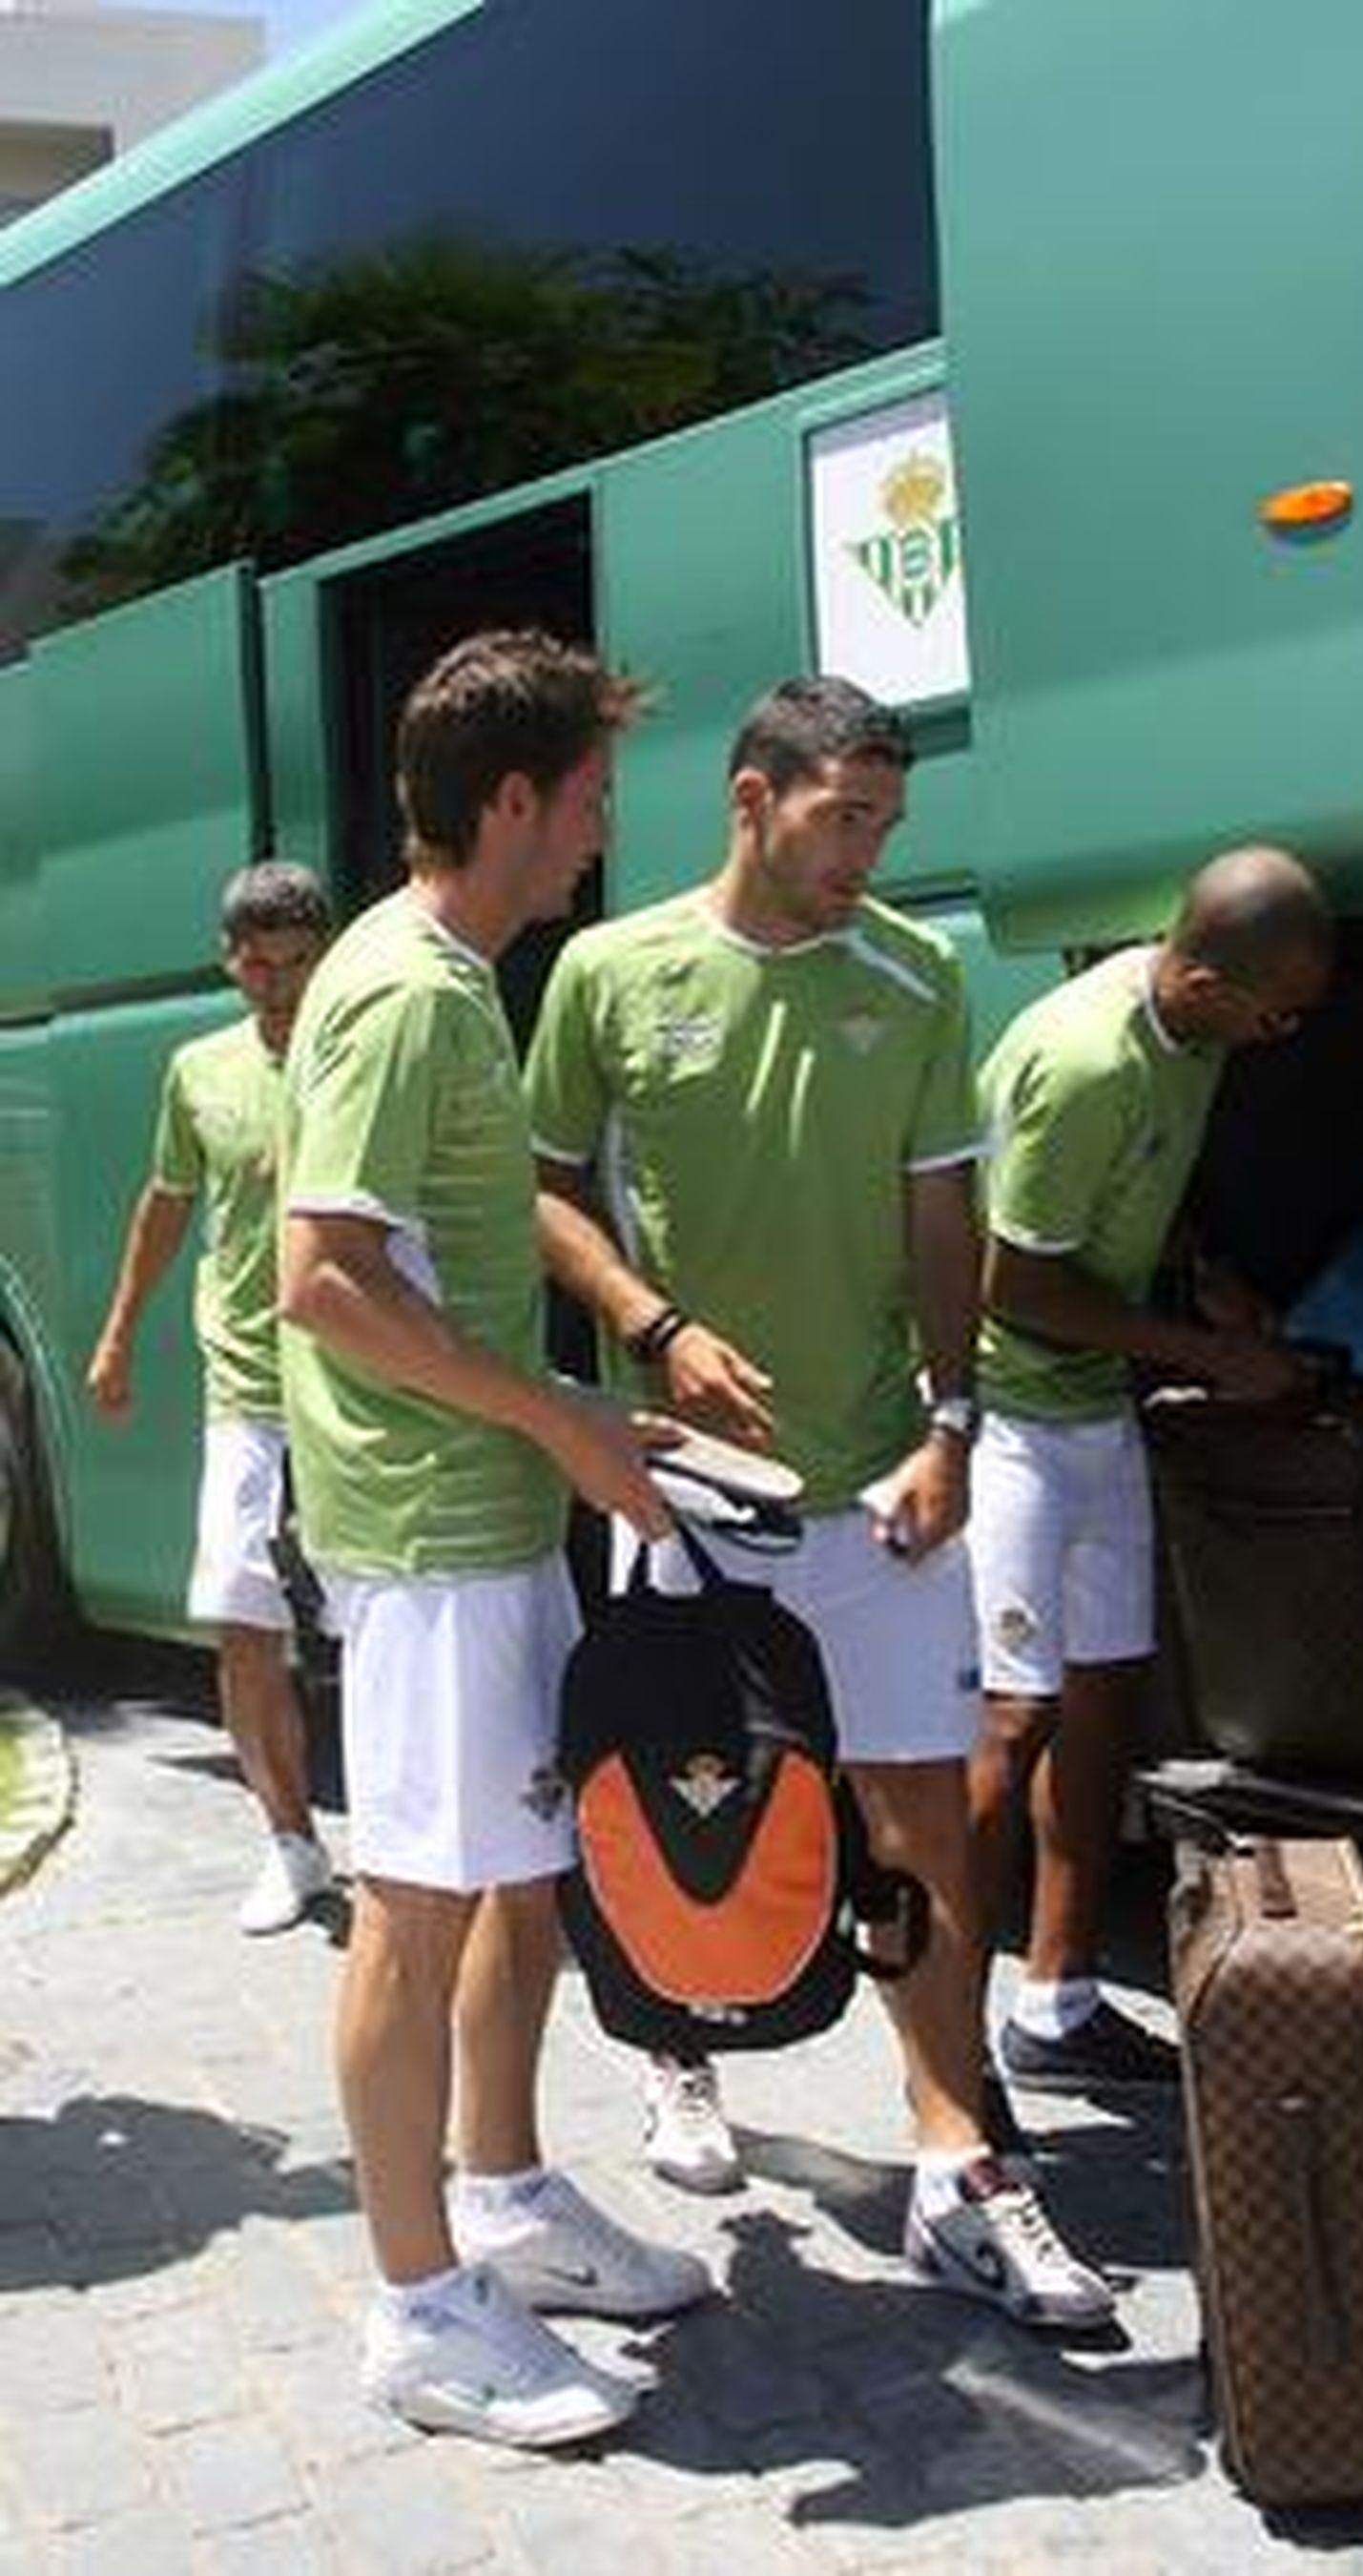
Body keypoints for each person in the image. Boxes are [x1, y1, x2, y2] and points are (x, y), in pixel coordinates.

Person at [527, 673, 1114, 2333]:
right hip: (682, 1493)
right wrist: (652, 1329)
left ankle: (958, 2171)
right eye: (839, 815)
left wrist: (952, 1421)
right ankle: (674, 2052)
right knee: (674, 1807)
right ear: (749, 797)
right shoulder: (608, 971)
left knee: (921, 1822)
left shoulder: (917, 977)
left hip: (874, 1489)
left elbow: (947, 1227)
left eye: (885, 821)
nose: (865, 849)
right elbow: (545, 1189)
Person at [278, 629, 709, 2455]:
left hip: (493, 1507)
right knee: (420, 1902)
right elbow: (323, 1281)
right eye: (593, 799)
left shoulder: (456, 980)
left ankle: (509, 2200)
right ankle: (418, 2309)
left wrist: (597, 1411)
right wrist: (566, 1419)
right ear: (514, 801)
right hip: (435, 1528)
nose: (604, 837)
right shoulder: (404, 994)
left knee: (519, 1884)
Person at [967, 845, 1334, 2094]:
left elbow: (1138, 1183)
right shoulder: (1084, 1059)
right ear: (1206, 973)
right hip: (1007, 1412)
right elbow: (1011, 1286)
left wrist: (1204, 1277)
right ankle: (943, 2042)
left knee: (1103, 1702)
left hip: (1089, 1409)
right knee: (1010, 1721)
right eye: (1276, 1010)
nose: (1282, 1036)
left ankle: (1057, 2008)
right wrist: (1206, 1357)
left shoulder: (1199, 1035)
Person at [87, 862, 336, 1937]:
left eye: (294, 963)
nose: (275, 986)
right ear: (231, 959)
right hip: (248, 1383)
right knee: (245, 1627)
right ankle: (289, 1844)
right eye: (257, 964)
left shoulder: (362, 1048)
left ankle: (423, 1846)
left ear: (323, 954)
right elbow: (167, 1202)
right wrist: (116, 1335)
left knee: (377, 1625)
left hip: (369, 1384)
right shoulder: (198, 1069)